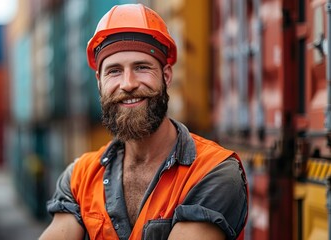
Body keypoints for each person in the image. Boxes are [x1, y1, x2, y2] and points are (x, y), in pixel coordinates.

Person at [39, 3, 248, 240]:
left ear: (166, 76)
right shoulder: (79, 178)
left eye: (141, 67)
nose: (128, 84)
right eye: (114, 71)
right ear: (99, 82)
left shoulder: (213, 171)